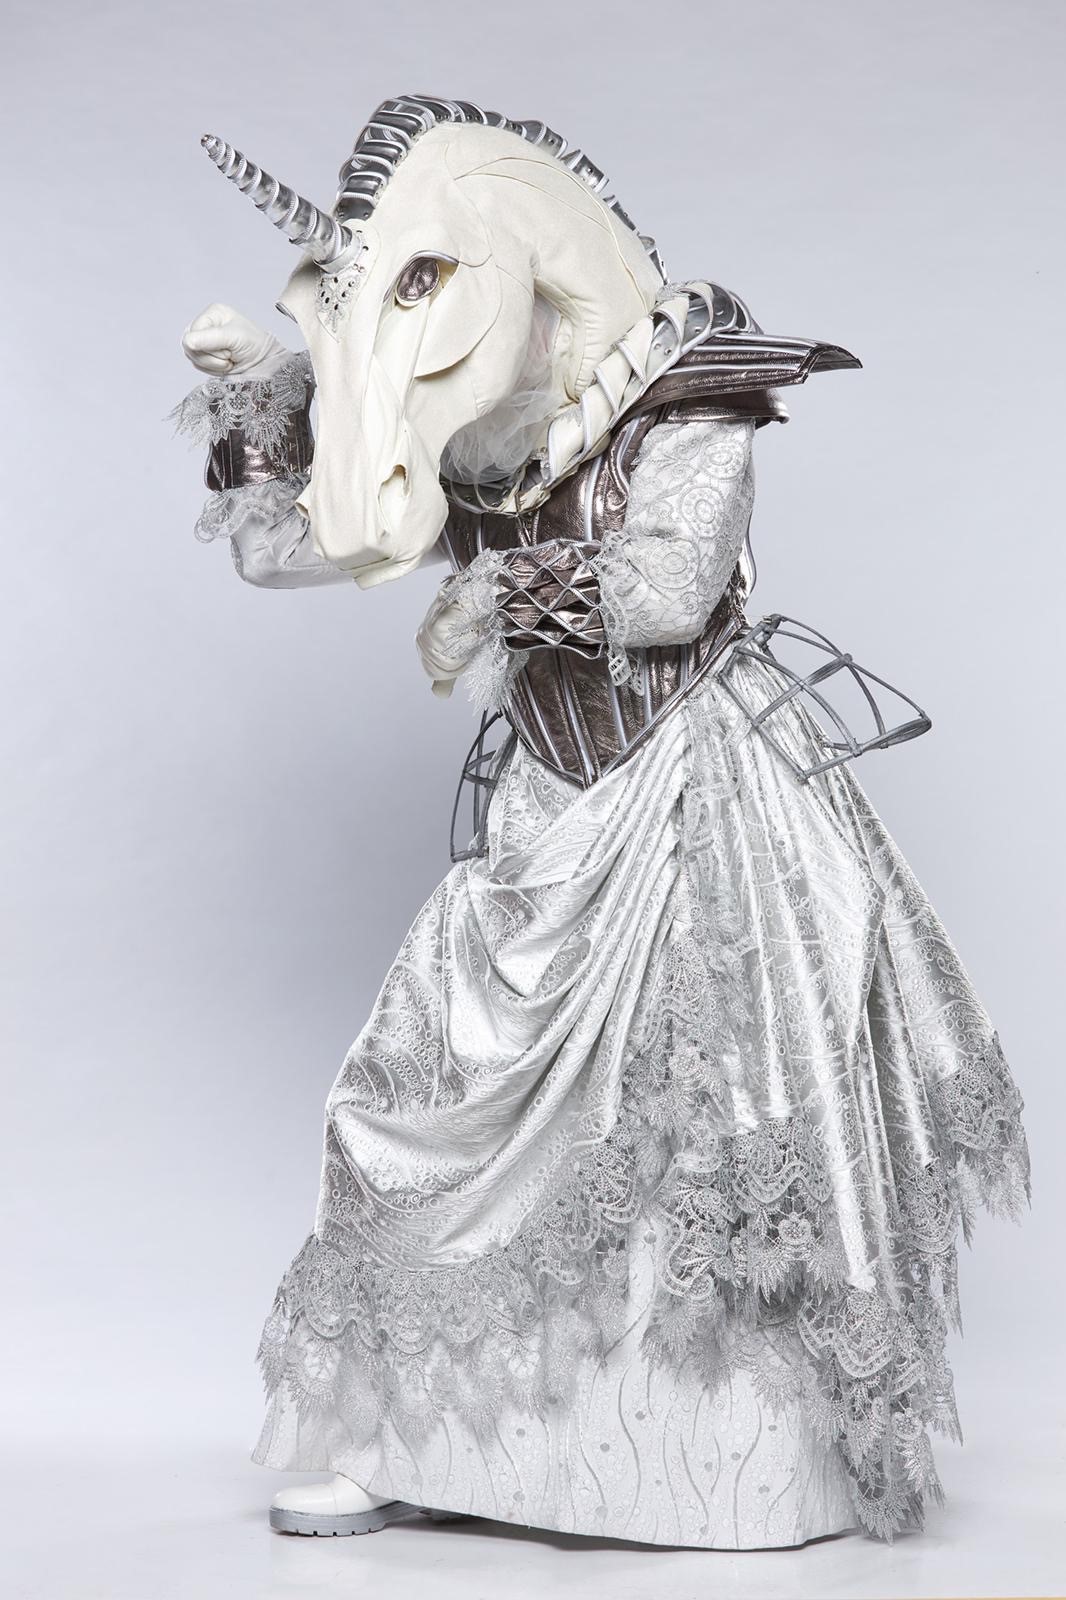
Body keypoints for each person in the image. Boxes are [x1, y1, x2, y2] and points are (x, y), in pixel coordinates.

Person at [175, 95, 1029, 1548]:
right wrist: (268, 400)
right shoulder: (469, 436)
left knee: (707, 1114)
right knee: (433, 1099)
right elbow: (287, 551)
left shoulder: (692, 399)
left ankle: (714, 1467)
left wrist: (493, 589)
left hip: (693, 797)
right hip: (545, 808)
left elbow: (668, 592)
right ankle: (413, 1435)